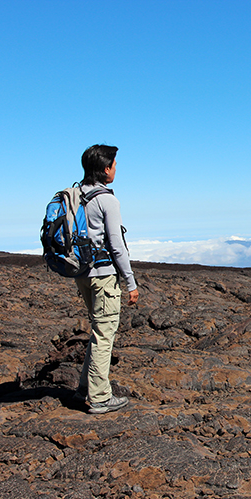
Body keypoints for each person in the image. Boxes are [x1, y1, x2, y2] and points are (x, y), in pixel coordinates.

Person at [73, 144, 139, 414]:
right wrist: (131, 282)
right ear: (105, 169)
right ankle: (100, 398)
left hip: (81, 275)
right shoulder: (107, 200)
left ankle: (84, 389)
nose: (115, 169)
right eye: (113, 165)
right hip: (103, 276)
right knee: (104, 334)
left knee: (97, 331)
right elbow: (116, 245)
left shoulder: (76, 195)